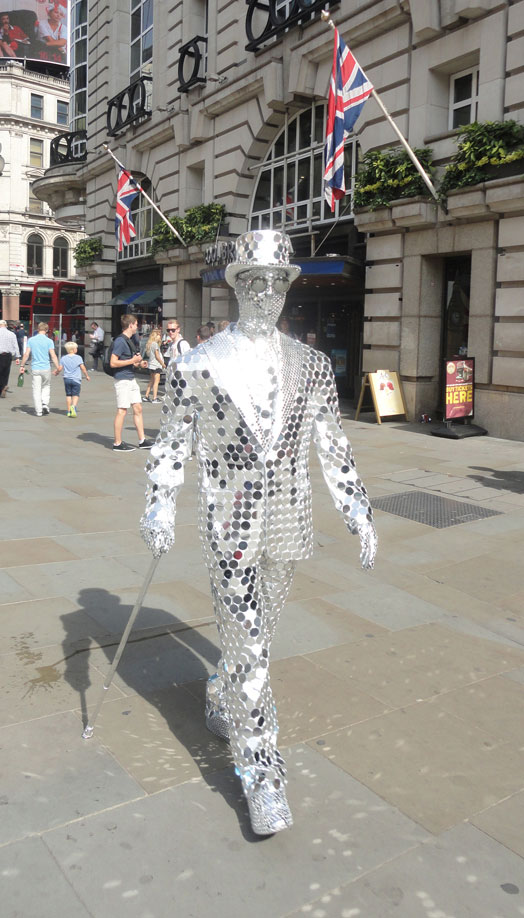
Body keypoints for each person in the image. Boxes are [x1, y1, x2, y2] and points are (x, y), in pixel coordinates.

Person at [140, 230, 377, 836]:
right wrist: (160, 505)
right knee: (248, 649)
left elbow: (332, 441)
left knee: (258, 641)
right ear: (236, 286)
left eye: (277, 283)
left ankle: (222, 697)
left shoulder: (313, 365)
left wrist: (357, 510)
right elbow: (171, 442)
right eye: (255, 282)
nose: (267, 293)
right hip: (228, 522)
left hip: (290, 522)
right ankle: (262, 773)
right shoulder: (198, 362)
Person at [110, 314, 154, 453]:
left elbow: (129, 360)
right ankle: (117, 443)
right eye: (136, 324)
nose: (137, 327)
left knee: (138, 408)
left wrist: (140, 363)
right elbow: (113, 362)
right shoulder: (120, 341)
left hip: (130, 378)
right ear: (130, 325)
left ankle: (142, 440)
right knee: (122, 410)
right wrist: (132, 361)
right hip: (122, 380)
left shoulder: (128, 340)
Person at [19, 322, 61, 415]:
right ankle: (45, 404)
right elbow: (53, 356)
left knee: (36, 389)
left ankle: (38, 411)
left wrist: (22, 366)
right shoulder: (49, 341)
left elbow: (26, 354)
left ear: (38, 329)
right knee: (46, 386)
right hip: (46, 367)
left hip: (35, 368)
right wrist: (58, 367)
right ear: (46, 330)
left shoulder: (31, 340)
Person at [54, 340, 90, 417]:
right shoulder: (78, 358)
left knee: (68, 395)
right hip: (76, 379)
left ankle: (68, 411)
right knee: (75, 395)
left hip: (66, 379)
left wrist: (56, 372)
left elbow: (60, 368)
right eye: (76, 348)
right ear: (73, 349)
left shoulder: (63, 358)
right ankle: (73, 407)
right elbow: (82, 368)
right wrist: (86, 375)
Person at [142, 329, 166, 403]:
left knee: (151, 381)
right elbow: (157, 356)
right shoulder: (155, 344)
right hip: (156, 365)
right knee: (156, 382)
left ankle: (146, 396)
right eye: (159, 335)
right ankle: (155, 398)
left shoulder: (150, 343)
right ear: (156, 336)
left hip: (151, 364)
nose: (160, 337)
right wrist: (162, 364)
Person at [0, 319, 20, 397]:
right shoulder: (12, 334)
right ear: (6, 326)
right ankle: (4, 385)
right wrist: (17, 357)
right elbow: (16, 346)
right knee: (6, 372)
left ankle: (1, 387)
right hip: (8, 356)